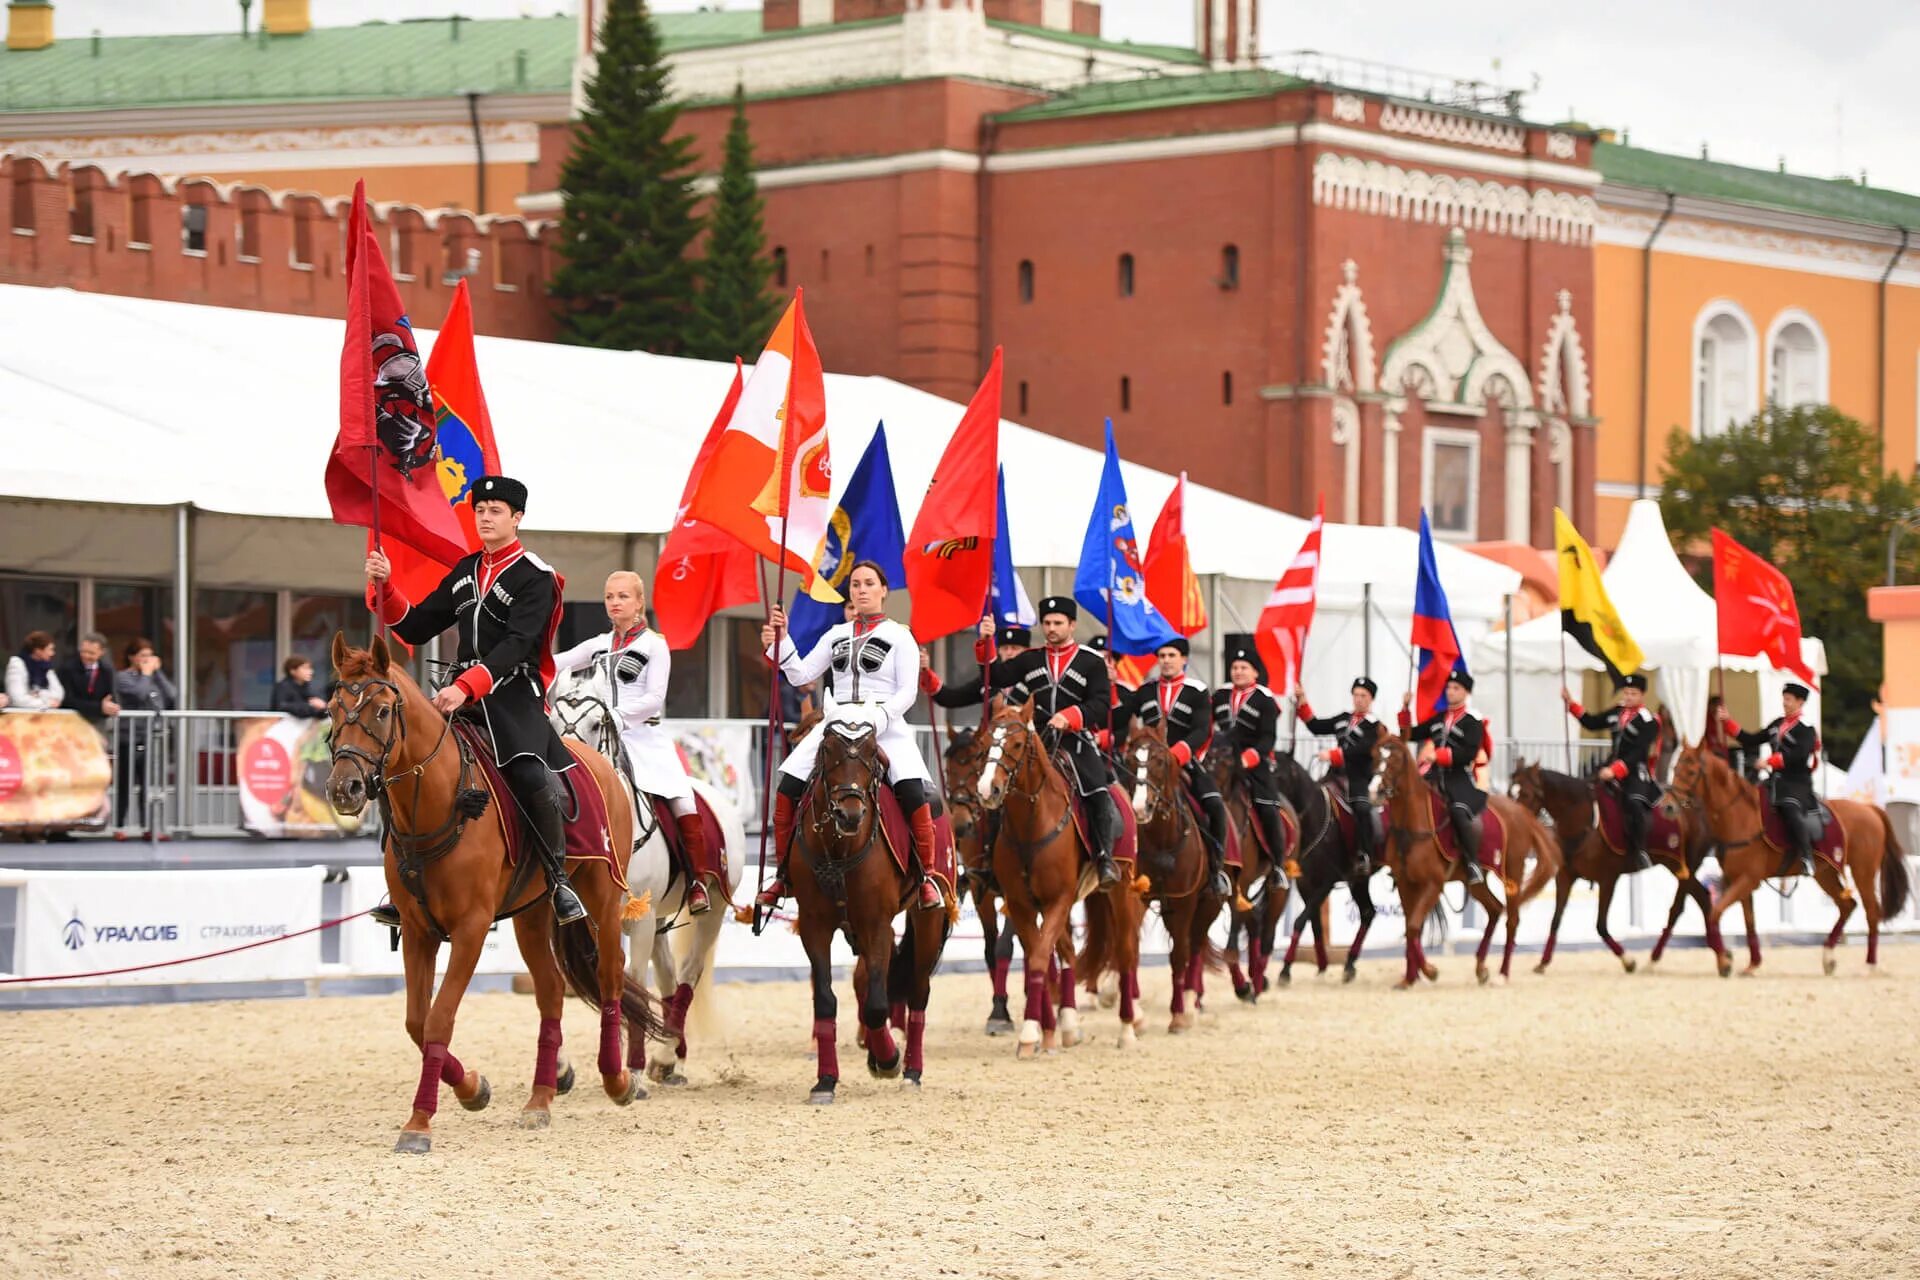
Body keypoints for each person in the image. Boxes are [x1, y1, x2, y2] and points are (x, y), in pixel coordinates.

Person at [364, 474, 587, 928]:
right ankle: (403, 881)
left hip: (514, 696)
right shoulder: (466, 571)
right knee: (403, 768)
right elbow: (415, 625)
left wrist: (466, 685)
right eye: (480, 511)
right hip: (460, 699)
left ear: (517, 518)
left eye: (495, 512)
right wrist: (387, 587)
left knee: (527, 771)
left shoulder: (536, 577)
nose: (485, 517)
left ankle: (558, 878)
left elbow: (518, 643)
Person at [754, 561, 946, 912]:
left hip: (883, 725)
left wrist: (881, 717)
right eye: (855, 584)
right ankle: (783, 875)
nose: (861, 590)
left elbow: (907, 692)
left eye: (869, 583)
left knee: (912, 787)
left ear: (884, 590)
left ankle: (926, 876)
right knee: (788, 785)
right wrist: (781, 642)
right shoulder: (836, 634)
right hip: (837, 722)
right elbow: (801, 675)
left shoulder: (900, 635)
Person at [930, 598, 1124, 889]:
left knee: (1098, 792)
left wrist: (1071, 716)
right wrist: (986, 641)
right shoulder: (1030, 659)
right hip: (1037, 743)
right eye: (1047, 623)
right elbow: (994, 676)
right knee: (1000, 791)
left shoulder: (1091, 661)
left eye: (1058, 623)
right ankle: (989, 862)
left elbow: (1100, 703)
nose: (1052, 629)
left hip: (1076, 743)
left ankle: (1103, 857)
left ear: (1072, 625)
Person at [553, 571, 717, 915]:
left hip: (642, 735)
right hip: (597, 733)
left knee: (681, 798)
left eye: (623, 596)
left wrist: (616, 714)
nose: (615, 602)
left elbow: (654, 699)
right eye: (610, 596)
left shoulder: (654, 645)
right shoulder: (597, 644)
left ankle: (697, 880)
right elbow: (557, 662)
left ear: (639, 602)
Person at [1115, 636, 1229, 896]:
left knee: (1214, 804)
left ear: (1184, 660)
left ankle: (1215, 870)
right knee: (1117, 799)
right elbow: (1120, 718)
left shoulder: (1197, 691)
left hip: (1183, 761)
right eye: (1162, 656)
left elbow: (1201, 730)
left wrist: (1176, 755)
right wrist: (1110, 691)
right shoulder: (1145, 690)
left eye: (1171, 656)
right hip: (1148, 765)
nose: (1166, 661)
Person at [1721, 683, 1822, 876]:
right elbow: (1751, 739)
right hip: (1775, 781)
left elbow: (1799, 754)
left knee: (1790, 809)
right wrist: (1728, 722)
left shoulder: (1806, 728)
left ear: (1800, 702)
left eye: (1789, 699)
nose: (1785, 703)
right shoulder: (1777, 724)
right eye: (1784, 699)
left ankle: (1807, 856)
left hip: (1796, 782)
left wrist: (1769, 761)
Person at [1398, 672, 1489, 885]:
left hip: (1457, 777)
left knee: (1458, 810)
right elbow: (1409, 735)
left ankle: (1472, 861)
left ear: (1466, 693)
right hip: (1433, 776)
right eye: (1448, 688)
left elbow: (1469, 752)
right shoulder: (1439, 718)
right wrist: (1405, 709)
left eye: (1456, 688)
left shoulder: (1473, 721)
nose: (1450, 692)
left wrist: (1438, 755)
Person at [1561, 674, 1659, 871]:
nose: (1629, 697)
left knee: (1634, 803)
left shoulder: (1649, 721)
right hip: (1609, 767)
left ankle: (1640, 850)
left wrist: (1616, 770)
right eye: (1626, 692)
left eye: (1633, 693)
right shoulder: (1617, 712)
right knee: (1583, 791)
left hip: (1633, 771)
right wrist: (1572, 705)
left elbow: (1639, 751)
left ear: (1642, 695)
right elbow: (1592, 722)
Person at [1211, 645, 1288, 877]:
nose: (1238, 672)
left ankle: (1277, 865)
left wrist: (1249, 758)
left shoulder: (1265, 699)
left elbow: (1268, 737)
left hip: (1253, 763)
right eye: (1235, 667)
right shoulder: (1220, 694)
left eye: (1244, 668)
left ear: (1255, 673)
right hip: (1223, 759)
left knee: (1267, 808)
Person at [1298, 677, 1383, 874]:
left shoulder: (1374, 725)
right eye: (1356, 695)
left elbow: (1364, 749)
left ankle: (1365, 853)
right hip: (1335, 774)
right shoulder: (1343, 718)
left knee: (1361, 807)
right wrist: (1303, 702)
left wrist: (1334, 755)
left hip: (1359, 776)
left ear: (1371, 699)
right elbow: (1316, 726)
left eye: (1363, 696)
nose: (1359, 699)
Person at [113, 638, 176, 832]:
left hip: (151, 737)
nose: (146, 660)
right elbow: (139, 694)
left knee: (149, 785)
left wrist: (158, 673)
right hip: (129, 737)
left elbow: (172, 695)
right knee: (125, 784)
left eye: (149, 656)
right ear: (132, 657)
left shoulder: (153, 677)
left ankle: (148, 827)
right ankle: (119, 826)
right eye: (142, 656)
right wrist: (147, 675)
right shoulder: (123, 677)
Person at [921, 622, 1031, 709]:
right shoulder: (989, 680)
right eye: (1005, 648)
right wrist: (926, 672)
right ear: (999, 651)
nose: (1009, 652)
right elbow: (951, 698)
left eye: (1015, 648)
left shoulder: (1033, 677)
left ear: (1026, 651)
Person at [56, 631, 120, 728]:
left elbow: (111, 697)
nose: (86, 656)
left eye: (91, 653)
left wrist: (111, 707)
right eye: (83, 651)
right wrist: (98, 707)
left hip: (97, 723)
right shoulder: (68, 669)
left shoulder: (107, 671)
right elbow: (66, 700)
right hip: (72, 722)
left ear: (102, 652)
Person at [5, 631, 65, 710]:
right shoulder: (17, 664)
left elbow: (59, 694)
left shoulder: (46, 667)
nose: (52, 653)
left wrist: (39, 693)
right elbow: (18, 699)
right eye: (50, 649)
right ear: (38, 651)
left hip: (45, 715)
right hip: (20, 716)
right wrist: (47, 702)